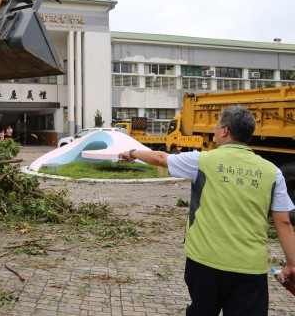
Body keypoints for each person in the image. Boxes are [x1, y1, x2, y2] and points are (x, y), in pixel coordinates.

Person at [118, 106, 295, 316]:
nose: (214, 130)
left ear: (225, 131)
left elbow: (160, 158)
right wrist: (292, 264)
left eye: (217, 126)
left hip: (204, 261)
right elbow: (283, 222)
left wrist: (131, 153)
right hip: (250, 267)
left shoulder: (201, 161)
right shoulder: (273, 172)